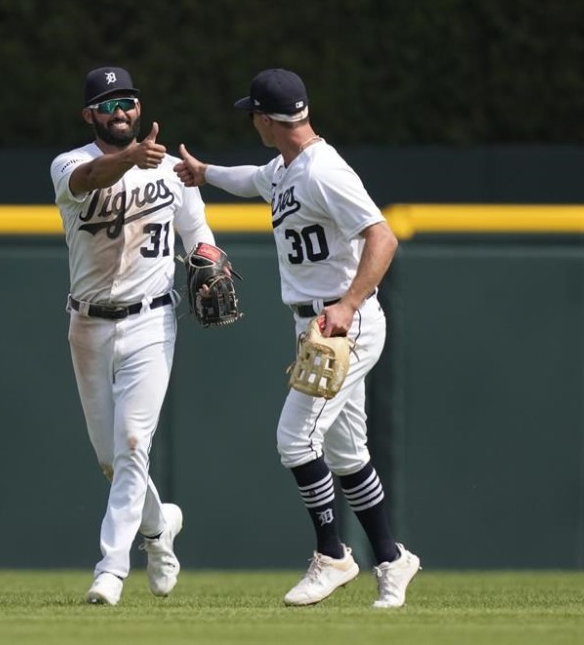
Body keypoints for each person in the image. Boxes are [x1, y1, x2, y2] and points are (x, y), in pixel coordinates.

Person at [174, 68, 420, 608]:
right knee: (347, 453)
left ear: (266, 118)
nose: (252, 122)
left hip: (343, 323)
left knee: (294, 439)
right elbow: (252, 180)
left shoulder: (323, 173)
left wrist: (348, 304)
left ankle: (332, 555)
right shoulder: (287, 168)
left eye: (253, 114)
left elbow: (383, 237)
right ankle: (391, 558)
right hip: (314, 323)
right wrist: (203, 173)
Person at [50, 66, 223, 606]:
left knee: (131, 445)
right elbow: (88, 182)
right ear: (89, 115)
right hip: (87, 325)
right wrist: (129, 158)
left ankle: (110, 569)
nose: (121, 111)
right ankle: (158, 530)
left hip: (152, 319)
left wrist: (209, 260)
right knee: (112, 458)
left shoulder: (171, 169)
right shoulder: (69, 164)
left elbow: (199, 237)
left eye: (127, 101)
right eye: (108, 104)